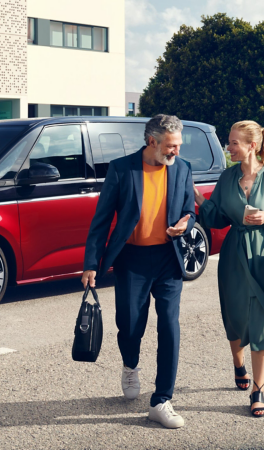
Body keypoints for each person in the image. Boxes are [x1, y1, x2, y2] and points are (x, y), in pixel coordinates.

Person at [82, 114, 196, 429]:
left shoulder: (183, 169)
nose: (176, 152)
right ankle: (130, 365)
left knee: (169, 326)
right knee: (130, 325)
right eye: (171, 146)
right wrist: (91, 262)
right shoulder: (122, 169)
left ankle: (161, 400)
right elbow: (101, 219)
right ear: (151, 142)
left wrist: (186, 222)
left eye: (178, 146)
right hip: (132, 259)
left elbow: (189, 209)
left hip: (168, 258)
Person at [194, 120, 264, 418]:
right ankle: (238, 364)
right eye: (229, 142)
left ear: (252, 145)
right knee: (236, 316)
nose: (229, 147)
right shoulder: (227, 178)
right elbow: (217, 219)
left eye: (234, 143)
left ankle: (258, 390)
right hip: (234, 256)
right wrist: (200, 200)